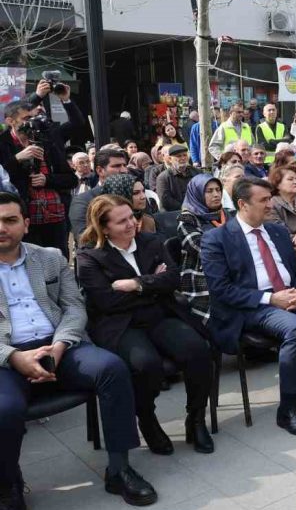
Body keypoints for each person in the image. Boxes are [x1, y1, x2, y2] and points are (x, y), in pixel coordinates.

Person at [0, 193, 158, 510]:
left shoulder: (50, 257)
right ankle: (8, 486)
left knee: (112, 368)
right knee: (5, 409)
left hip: (61, 344)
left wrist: (59, 346)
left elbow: (73, 306)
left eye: (10, 220)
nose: (2, 228)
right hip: (7, 356)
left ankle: (120, 469)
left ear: (26, 225)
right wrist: (14, 357)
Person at [201, 177, 296, 436]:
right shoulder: (217, 239)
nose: (270, 205)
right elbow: (221, 290)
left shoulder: (277, 231)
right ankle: (288, 409)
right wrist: (271, 299)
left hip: (292, 296)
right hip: (253, 306)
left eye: (270, 198)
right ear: (242, 204)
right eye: (263, 200)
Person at [76, 195, 215, 455]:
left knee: (197, 350)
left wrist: (136, 284)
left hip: (158, 314)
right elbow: (106, 301)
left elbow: (173, 279)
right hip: (121, 324)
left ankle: (195, 419)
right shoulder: (90, 256)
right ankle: (147, 420)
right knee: (145, 364)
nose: (131, 224)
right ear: (104, 228)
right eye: (121, 222)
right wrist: (153, 282)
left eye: (132, 217)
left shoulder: (150, 241)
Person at [1, 101, 76, 256]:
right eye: (26, 118)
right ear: (10, 121)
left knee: (59, 261)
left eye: (33, 117)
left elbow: (71, 179)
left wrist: (47, 179)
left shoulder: (46, 142)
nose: (31, 122)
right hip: (24, 219)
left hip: (55, 218)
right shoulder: (2, 144)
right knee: (29, 262)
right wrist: (17, 159)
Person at [177, 174, 229, 324]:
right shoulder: (187, 219)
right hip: (202, 274)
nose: (216, 194)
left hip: (233, 266)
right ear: (197, 193)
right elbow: (201, 248)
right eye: (209, 191)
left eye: (218, 190)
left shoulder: (226, 214)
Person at [70, 148, 130, 242]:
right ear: (100, 170)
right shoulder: (83, 201)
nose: (124, 170)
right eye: (117, 166)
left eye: (124, 165)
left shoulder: (135, 193)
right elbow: (85, 239)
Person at [265, 164, 296, 256]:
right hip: (291, 251)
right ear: (277, 184)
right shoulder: (271, 204)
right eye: (290, 179)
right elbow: (281, 234)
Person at [155, 144, 200, 211]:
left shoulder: (197, 172)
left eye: (185, 155)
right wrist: (185, 208)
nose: (183, 158)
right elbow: (166, 200)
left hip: (197, 209)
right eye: (179, 156)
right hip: (174, 213)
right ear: (170, 159)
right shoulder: (163, 178)